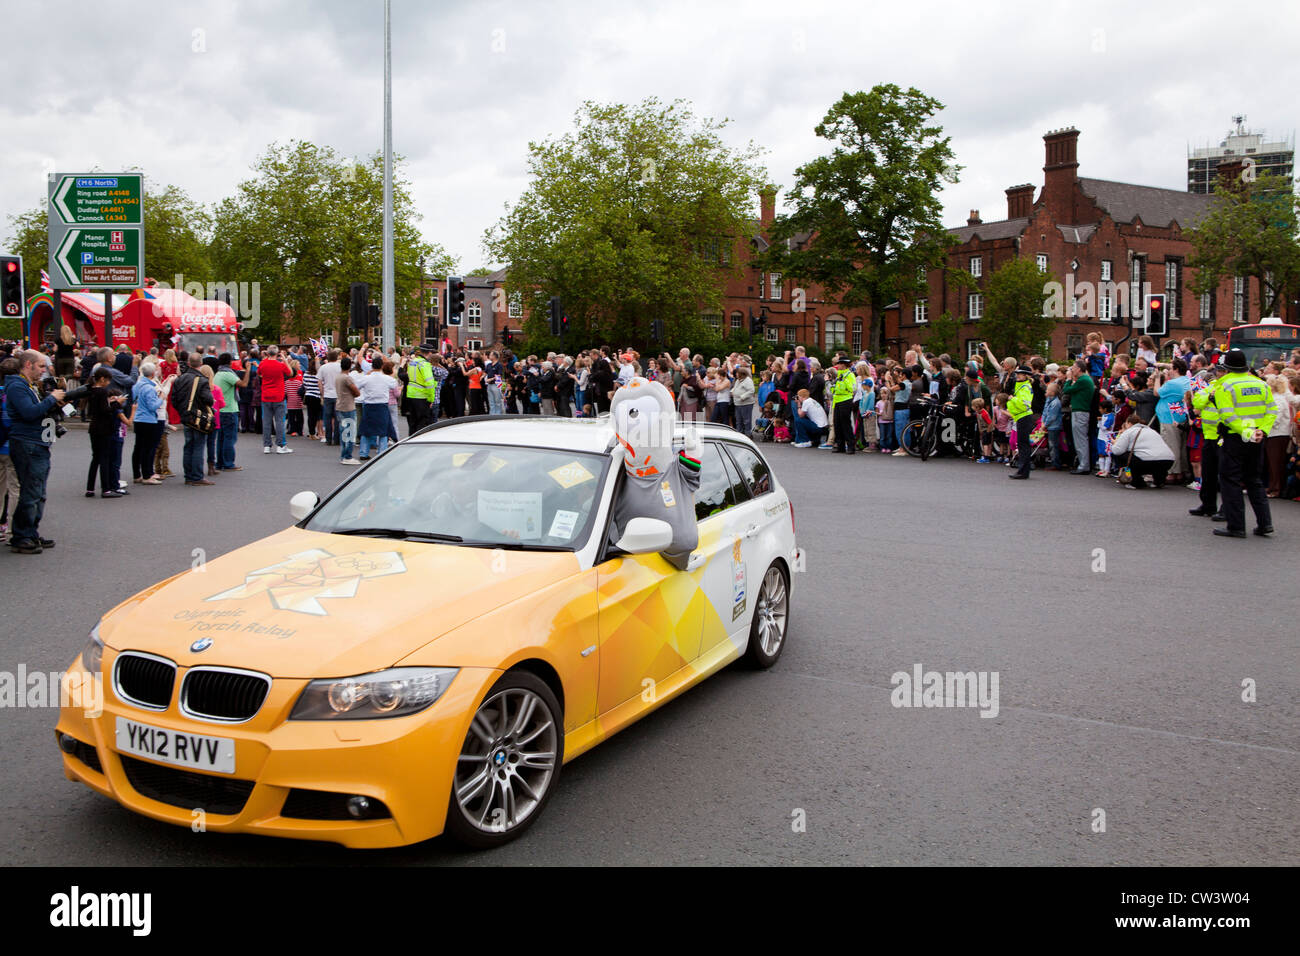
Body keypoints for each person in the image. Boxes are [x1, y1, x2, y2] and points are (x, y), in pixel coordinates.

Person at [3, 350, 66, 552]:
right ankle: (21, 537)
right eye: (40, 366)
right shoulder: (16, 386)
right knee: (31, 492)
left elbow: (37, 410)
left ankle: (31, 533)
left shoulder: (27, 385)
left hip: (37, 442)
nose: (44, 370)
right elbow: (29, 413)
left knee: (38, 493)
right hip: (26, 442)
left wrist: (54, 402)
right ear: (28, 365)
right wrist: (50, 399)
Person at [1211, 349, 1275, 538]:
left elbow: (1227, 415)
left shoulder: (1226, 385)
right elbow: (1272, 410)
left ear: (1227, 367)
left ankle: (1236, 526)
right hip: (1257, 438)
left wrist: (1245, 432)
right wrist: (1261, 431)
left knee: (1230, 481)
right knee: (1254, 480)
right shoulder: (1261, 384)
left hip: (1235, 438)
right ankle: (1265, 524)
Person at [1188, 365, 1225, 519]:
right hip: (1209, 434)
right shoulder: (1213, 386)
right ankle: (1208, 505)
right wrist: (1210, 397)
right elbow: (1198, 401)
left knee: (1225, 474)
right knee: (1208, 472)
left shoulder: (1228, 387)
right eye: (1220, 370)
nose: (1220, 373)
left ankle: (1226, 508)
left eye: (1223, 370)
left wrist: (1210, 398)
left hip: (1224, 435)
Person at [172, 354, 215, 486]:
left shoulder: (180, 379)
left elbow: (174, 399)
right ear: (200, 363)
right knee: (198, 446)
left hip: (185, 415)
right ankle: (197, 476)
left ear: (189, 363)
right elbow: (209, 400)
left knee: (188, 446)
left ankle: (188, 476)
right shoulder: (201, 380)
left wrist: (182, 410)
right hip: (198, 415)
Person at [1109, 418, 1175, 489]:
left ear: (1129, 423)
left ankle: (1136, 481)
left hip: (1146, 462)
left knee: (1121, 456)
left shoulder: (1129, 431)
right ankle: (1159, 481)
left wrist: (1115, 444)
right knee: (1157, 459)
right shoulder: (1152, 431)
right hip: (1168, 461)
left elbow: (1117, 450)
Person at [130, 363, 166, 484]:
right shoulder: (149, 388)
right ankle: (147, 475)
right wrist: (161, 398)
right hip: (148, 419)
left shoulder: (137, 385)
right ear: (152, 374)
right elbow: (152, 406)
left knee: (138, 447)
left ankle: (137, 474)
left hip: (138, 418)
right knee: (147, 448)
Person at [213, 353, 247, 472]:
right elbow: (243, 384)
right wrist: (247, 370)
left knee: (221, 438)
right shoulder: (228, 374)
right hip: (229, 409)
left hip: (220, 409)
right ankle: (228, 463)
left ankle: (220, 462)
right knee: (230, 438)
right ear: (230, 362)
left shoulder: (217, 374)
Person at [358, 360, 398, 460]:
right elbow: (394, 384)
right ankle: (382, 452)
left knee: (366, 430)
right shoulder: (387, 379)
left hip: (369, 405)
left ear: (372, 366)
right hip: (382, 406)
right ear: (382, 366)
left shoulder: (366, 378)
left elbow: (357, 386)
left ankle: (363, 452)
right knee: (383, 431)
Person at [258, 345, 293, 454]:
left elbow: (259, 374)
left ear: (267, 353)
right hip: (278, 396)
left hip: (266, 395)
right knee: (279, 421)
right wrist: (285, 360)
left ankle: (267, 445)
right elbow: (290, 373)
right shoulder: (280, 365)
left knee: (267, 422)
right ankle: (281, 445)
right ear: (277, 353)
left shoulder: (262, 364)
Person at [1007, 366, 1036, 479]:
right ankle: (1023, 470)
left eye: (1020, 374)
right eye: (1017, 373)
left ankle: (1023, 471)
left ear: (1026, 376)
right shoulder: (1021, 386)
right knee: (1023, 445)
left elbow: (1024, 404)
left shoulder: (1025, 387)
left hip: (1024, 417)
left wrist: (1012, 399)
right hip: (1021, 417)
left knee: (1023, 445)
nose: (1017, 375)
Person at [335, 355, 362, 465]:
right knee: (350, 432)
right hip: (348, 406)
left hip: (340, 405)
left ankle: (344, 455)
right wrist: (356, 393)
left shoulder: (338, 377)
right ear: (349, 366)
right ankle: (348, 455)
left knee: (343, 432)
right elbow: (356, 391)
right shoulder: (347, 378)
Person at [829, 355, 856, 454]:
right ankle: (840, 445)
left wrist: (843, 382)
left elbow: (852, 388)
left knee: (846, 424)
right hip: (837, 400)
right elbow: (834, 387)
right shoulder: (838, 374)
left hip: (846, 400)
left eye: (839, 364)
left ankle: (850, 446)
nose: (838, 366)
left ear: (844, 365)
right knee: (837, 424)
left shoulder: (850, 375)